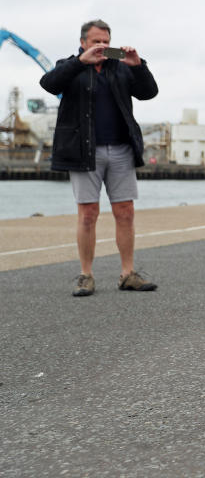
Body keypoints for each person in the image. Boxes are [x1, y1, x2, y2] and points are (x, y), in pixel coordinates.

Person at [39, 19, 159, 296]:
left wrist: (138, 66)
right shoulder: (69, 66)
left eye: (106, 40)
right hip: (83, 149)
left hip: (120, 149)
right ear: (83, 42)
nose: (102, 46)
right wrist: (80, 61)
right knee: (88, 214)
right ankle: (86, 275)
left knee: (125, 212)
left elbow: (149, 93)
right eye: (96, 41)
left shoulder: (122, 67)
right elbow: (48, 84)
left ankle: (128, 273)